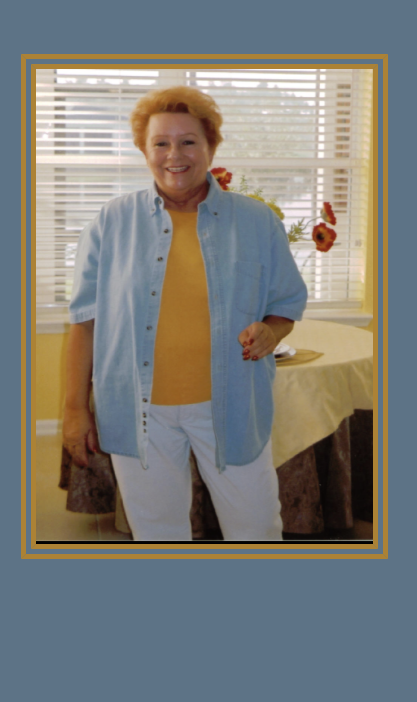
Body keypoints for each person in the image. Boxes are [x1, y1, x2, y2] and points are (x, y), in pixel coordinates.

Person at [62, 86, 307, 541]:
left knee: (256, 528)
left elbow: (285, 305)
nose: (174, 155)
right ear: (144, 150)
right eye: (161, 143)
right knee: (157, 532)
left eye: (189, 141)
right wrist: (75, 408)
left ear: (211, 146)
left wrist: (272, 332)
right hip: (137, 409)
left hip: (232, 404)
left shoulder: (256, 222)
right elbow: (85, 322)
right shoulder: (111, 223)